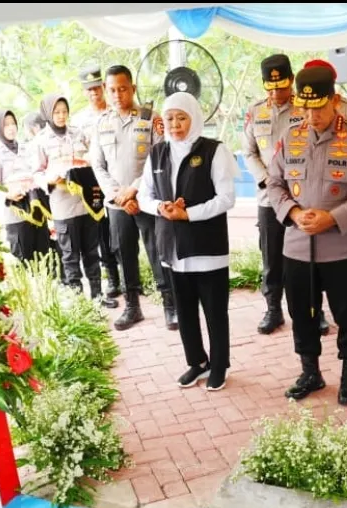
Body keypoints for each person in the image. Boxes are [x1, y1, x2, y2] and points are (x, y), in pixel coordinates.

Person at [266, 65, 347, 406]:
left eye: (318, 107)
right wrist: (293, 212)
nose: (311, 115)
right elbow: (274, 183)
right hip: (297, 246)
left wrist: (332, 218)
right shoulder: (290, 137)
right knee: (301, 313)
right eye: (305, 107)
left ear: (334, 100)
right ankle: (310, 372)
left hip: (341, 248)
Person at [141, 92, 239, 392]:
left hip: (207, 247)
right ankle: (197, 362)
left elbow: (226, 198)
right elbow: (145, 195)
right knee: (184, 310)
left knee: (214, 310)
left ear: (194, 118)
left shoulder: (213, 150)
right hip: (172, 248)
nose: (175, 124)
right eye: (170, 118)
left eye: (181, 118)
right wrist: (161, 208)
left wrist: (189, 214)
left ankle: (219, 364)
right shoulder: (157, 153)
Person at [90, 65, 174, 331]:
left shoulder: (151, 118)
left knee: (157, 251)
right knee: (123, 254)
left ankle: (170, 306)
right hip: (118, 205)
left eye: (123, 89)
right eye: (112, 90)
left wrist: (135, 190)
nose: (117, 94)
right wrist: (119, 195)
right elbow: (98, 166)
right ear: (106, 90)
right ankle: (132, 306)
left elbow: (159, 159)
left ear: (133, 88)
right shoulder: (101, 123)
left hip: (147, 199)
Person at [241, 54, 309, 336]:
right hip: (269, 199)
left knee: (306, 258)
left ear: (291, 81)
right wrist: (267, 180)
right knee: (271, 260)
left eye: (281, 86)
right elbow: (248, 152)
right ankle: (273, 309)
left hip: (302, 197)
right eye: (270, 88)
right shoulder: (256, 112)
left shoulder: (305, 108)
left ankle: (310, 311)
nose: (276, 93)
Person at [33, 94, 115, 307]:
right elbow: (37, 173)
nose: (61, 116)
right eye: (57, 112)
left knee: (91, 251)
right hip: (62, 206)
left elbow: (92, 159)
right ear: (48, 114)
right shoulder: (41, 141)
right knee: (70, 256)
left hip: (85, 203)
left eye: (64, 111)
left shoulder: (78, 134)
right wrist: (51, 179)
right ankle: (79, 303)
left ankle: (97, 297)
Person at [72, 64, 123, 301]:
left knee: (121, 229)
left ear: (103, 87)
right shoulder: (80, 120)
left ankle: (129, 275)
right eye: (89, 90)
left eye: (96, 88)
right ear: (84, 92)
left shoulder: (116, 111)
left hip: (116, 177)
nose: (94, 93)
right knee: (101, 230)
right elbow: (78, 152)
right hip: (93, 182)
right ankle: (112, 277)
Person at [0, 109, 51, 264]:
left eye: (13, 123)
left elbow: (38, 171)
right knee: (24, 259)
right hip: (15, 214)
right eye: (6, 125)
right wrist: (7, 195)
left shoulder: (27, 148)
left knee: (45, 256)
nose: (11, 128)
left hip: (36, 208)